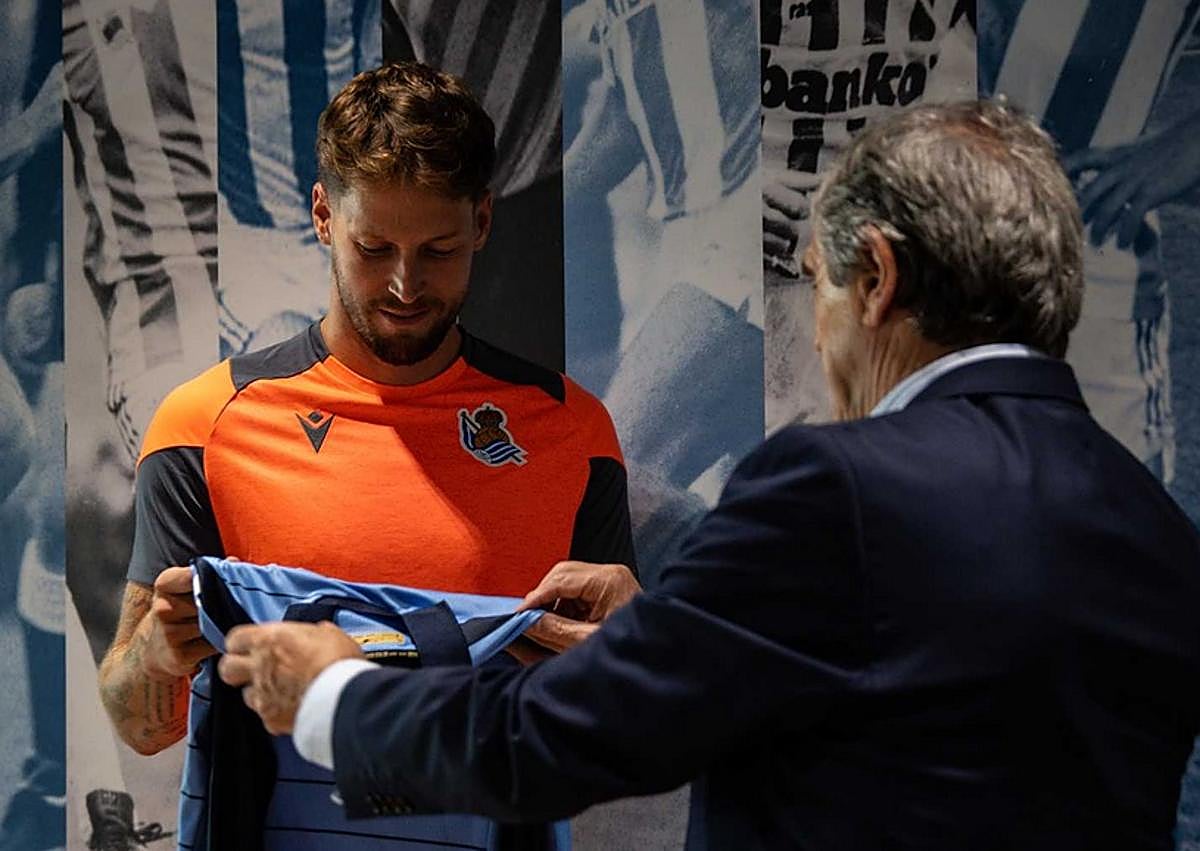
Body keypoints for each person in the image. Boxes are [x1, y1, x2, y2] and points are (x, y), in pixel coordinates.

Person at [222, 100, 1200, 849]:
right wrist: (671, 627)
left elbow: (551, 742)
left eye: (815, 282)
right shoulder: (1155, 525)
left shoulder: (834, 487)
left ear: (880, 279)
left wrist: (335, 696)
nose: (817, 337)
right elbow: (920, 712)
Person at [96, 61, 634, 850]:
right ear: (322, 216)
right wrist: (154, 654)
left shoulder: (569, 431)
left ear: (483, 221)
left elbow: (610, 741)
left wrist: (633, 656)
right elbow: (135, 723)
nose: (405, 283)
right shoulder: (205, 422)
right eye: (374, 247)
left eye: (440, 249)